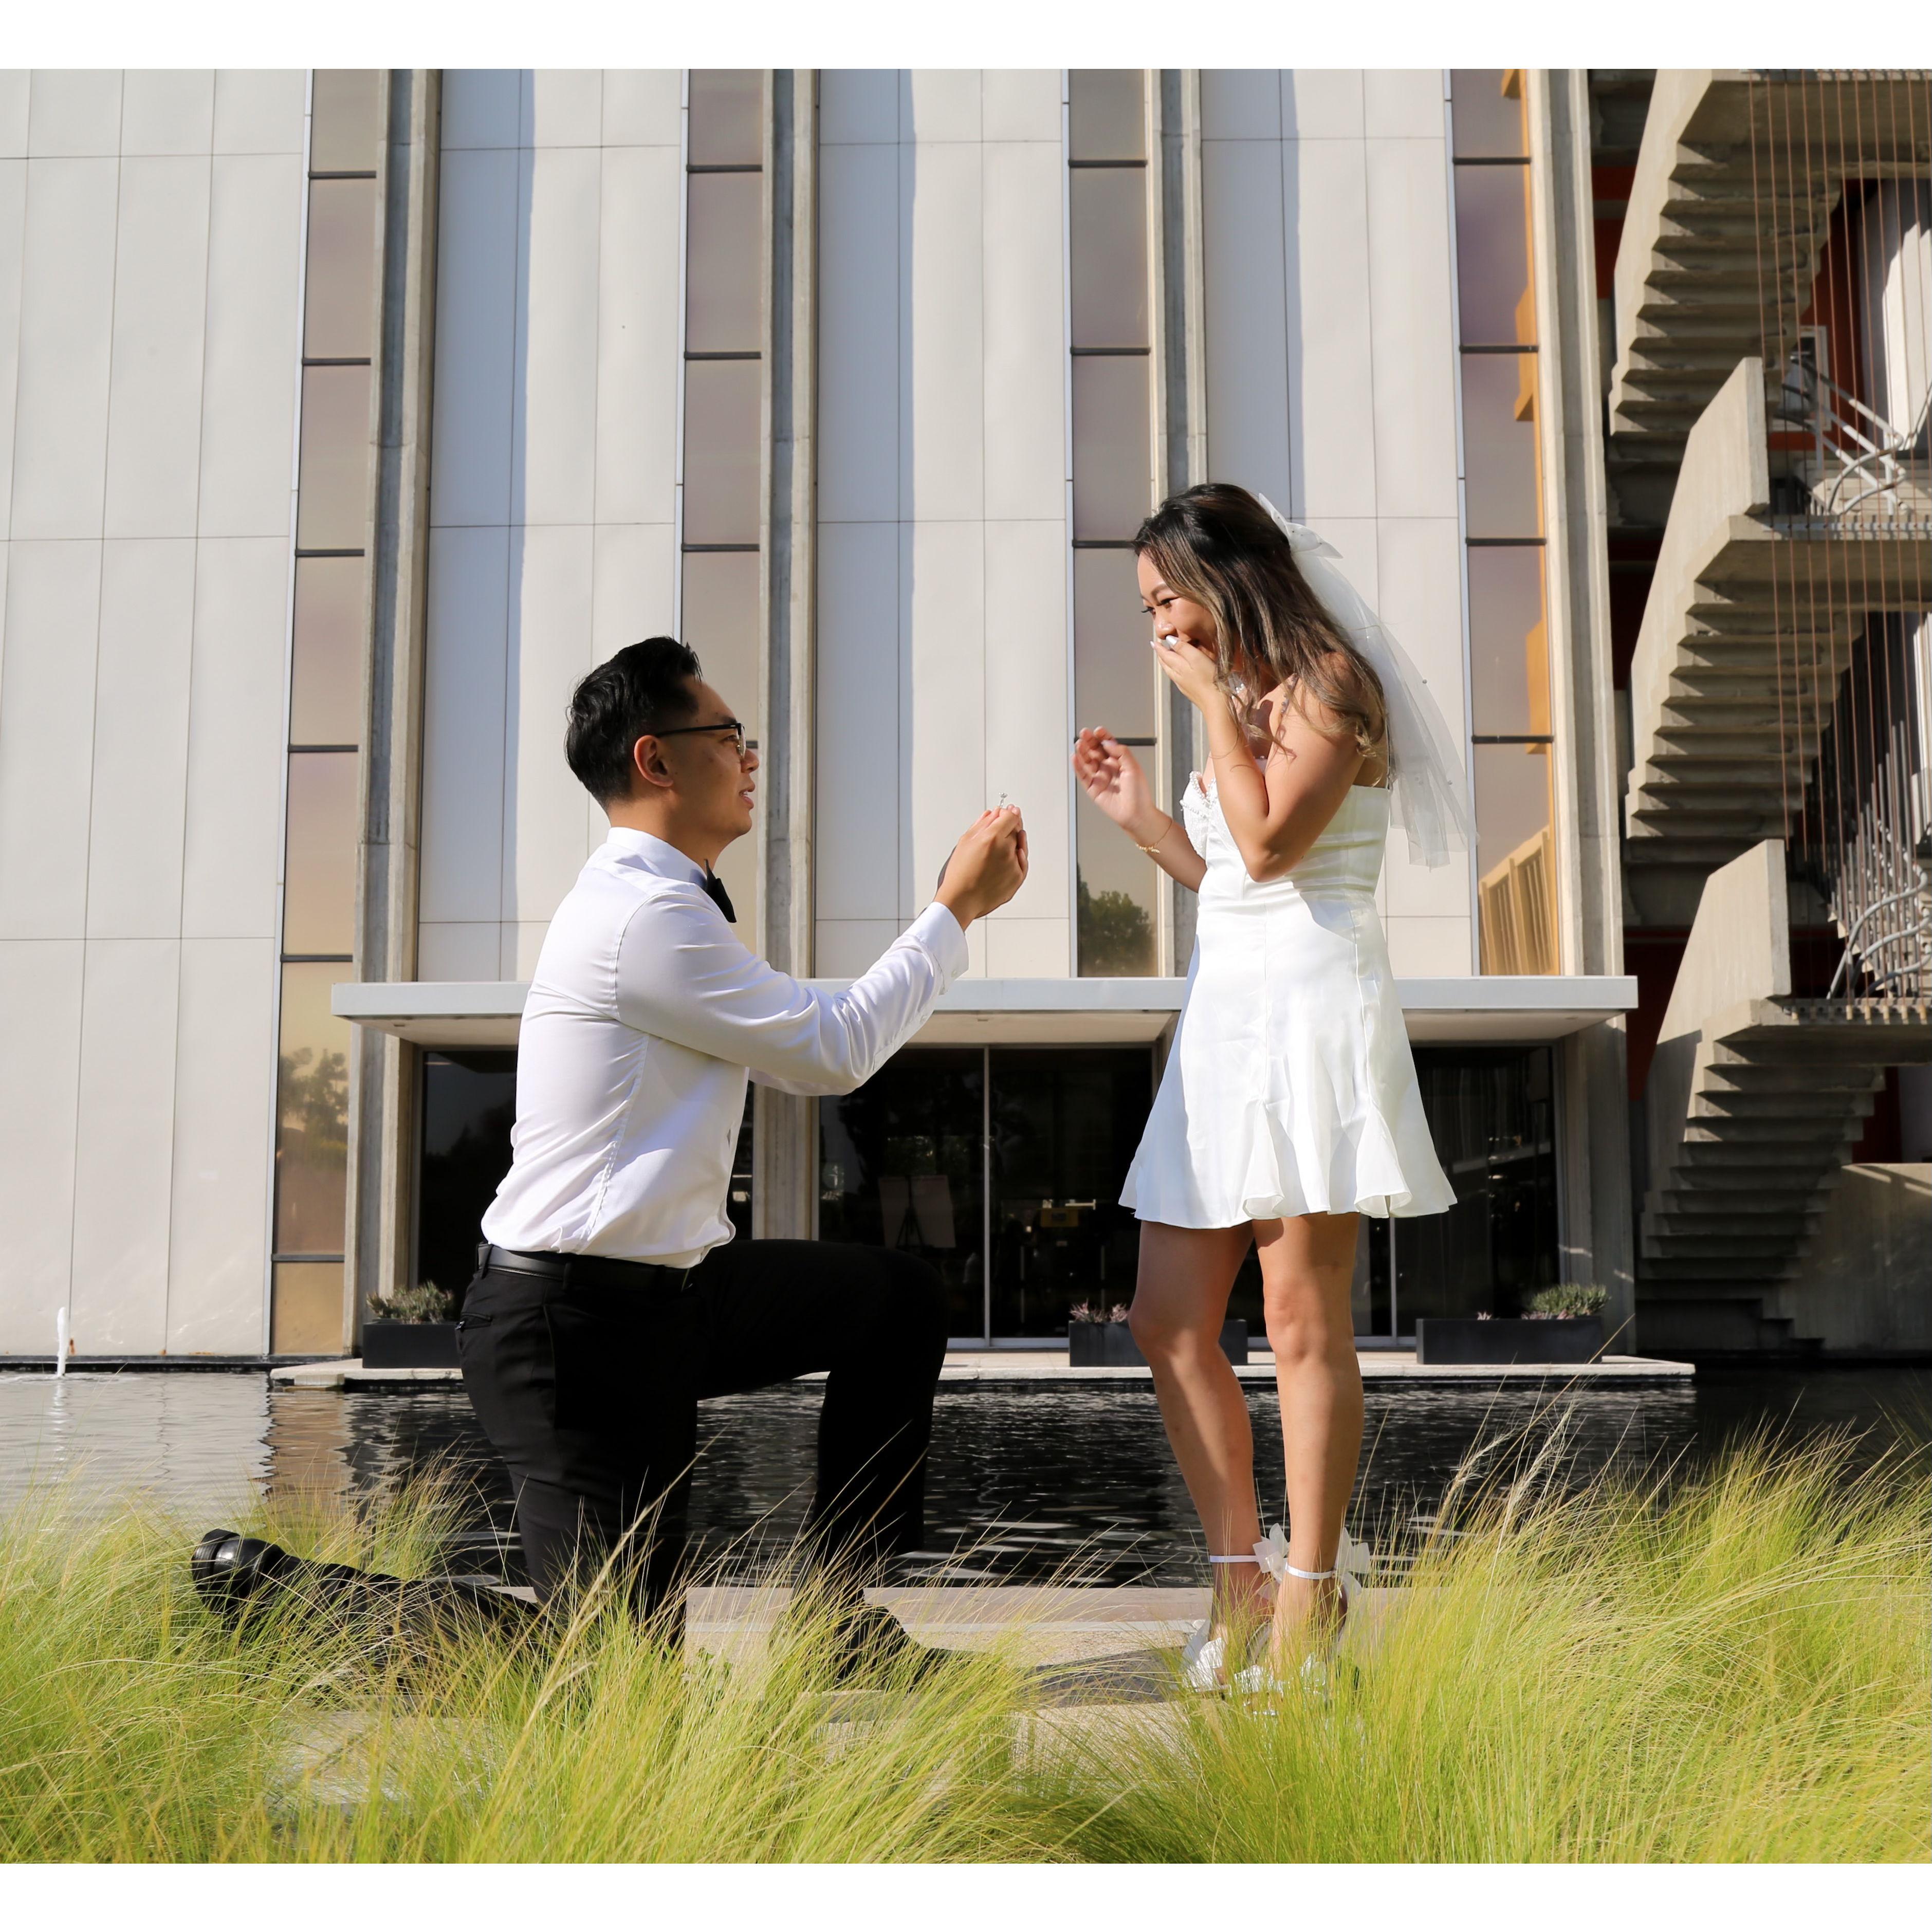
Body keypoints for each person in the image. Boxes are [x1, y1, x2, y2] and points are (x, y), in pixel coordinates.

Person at [197, 638, 1027, 1677]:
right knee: (610, 1677)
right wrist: (953, 909)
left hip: (667, 1303)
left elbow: (806, 1044)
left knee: (894, 1299)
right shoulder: (644, 917)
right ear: (657, 760)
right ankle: (282, 1596)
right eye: (728, 735)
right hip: (567, 1331)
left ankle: (834, 1623)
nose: (749, 756)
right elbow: (831, 1050)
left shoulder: (668, 910)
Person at [1071, 484, 1464, 1689]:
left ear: (1231, 575)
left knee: (1301, 1320)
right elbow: (1228, 876)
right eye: (1143, 607)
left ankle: (1308, 1592)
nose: (1157, 624)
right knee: (1165, 1317)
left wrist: (1201, 707)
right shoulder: (1242, 702)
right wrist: (1142, 820)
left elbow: (1273, 849)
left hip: (1310, 1011)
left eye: (1165, 597)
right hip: (1225, 1017)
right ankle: (1234, 1571)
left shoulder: (1330, 683)